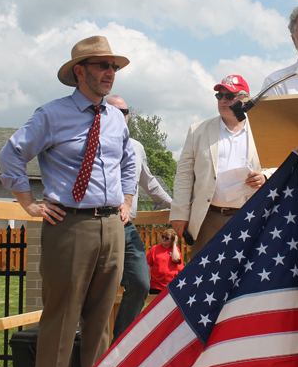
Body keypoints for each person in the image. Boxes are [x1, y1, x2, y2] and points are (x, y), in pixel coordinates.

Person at [0, 36, 137, 367]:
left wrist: (128, 201)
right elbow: (10, 156)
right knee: (61, 322)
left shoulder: (116, 118)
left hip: (112, 226)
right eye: (103, 66)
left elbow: (129, 161)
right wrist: (28, 203)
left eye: (114, 67)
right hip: (70, 226)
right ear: (80, 71)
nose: (111, 72)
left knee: (101, 322)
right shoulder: (51, 114)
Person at [170, 75, 275, 258]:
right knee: (204, 280)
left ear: (245, 99)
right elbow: (184, 175)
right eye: (220, 96)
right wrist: (179, 213)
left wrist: (265, 176)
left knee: (244, 281)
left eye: (230, 96)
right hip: (207, 220)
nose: (224, 100)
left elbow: (280, 162)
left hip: (250, 217)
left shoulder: (263, 128)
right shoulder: (198, 130)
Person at [106, 95, 173, 343]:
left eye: (124, 111)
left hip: (126, 227)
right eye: (113, 111)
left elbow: (149, 183)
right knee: (100, 288)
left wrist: (174, 206)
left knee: (140, 282)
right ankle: (92, 348)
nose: (120, 116)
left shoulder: (136, 147)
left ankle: (119, 343)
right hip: (100, 223)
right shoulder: (92, 142)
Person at [147, 228, 184, 294]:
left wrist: (174, 244)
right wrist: (146, 280)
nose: (164, 239)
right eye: (163, 237)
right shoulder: (155, 249)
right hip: (156, 285)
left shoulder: (176, 250)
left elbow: (176, 259)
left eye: (167, 238)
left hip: (171, 285)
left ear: (172, 240)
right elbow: (148, 265)